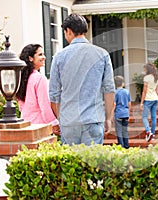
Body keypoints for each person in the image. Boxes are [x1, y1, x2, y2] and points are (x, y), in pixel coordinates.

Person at [49, 13, 115, 146]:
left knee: (71, 164)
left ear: (68, 31)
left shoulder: (59, 57)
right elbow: (109, 90)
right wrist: (108, 118)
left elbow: (54, 95)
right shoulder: (102, 54)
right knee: (92, 165)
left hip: (69, 121)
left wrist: (61, 119)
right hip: (93, 118)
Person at [16, 44, 60, 135]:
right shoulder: (39, 78)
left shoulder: (21, 78)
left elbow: (21, 106)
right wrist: (54, 123)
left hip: (25, 125)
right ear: (30, 58)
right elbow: (44, 105)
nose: (44, 57)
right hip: (40, 126)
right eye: (40, 54)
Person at [140, 63, 158, 142]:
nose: (144, 70)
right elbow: (157, 91)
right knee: (153, 117)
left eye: (144, 69)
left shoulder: (146, 78)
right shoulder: (156, 77)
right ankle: (153, 134)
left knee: (144, 117)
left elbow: (144, 91)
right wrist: (156, 97)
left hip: (148, 99)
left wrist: (141, 102)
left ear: (147, 69)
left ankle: (148, 131)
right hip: (155, 98)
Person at [113, 76, 131, 149]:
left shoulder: (115, 92)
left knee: (119, 131)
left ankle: (121, 146)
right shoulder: (127, 92)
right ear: (123, 83)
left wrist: (111, 114)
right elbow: (129, 103)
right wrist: (129, 113)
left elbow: (114, 104)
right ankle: (127, 146)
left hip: (118, 114)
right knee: (125, 131)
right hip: (125, 113)